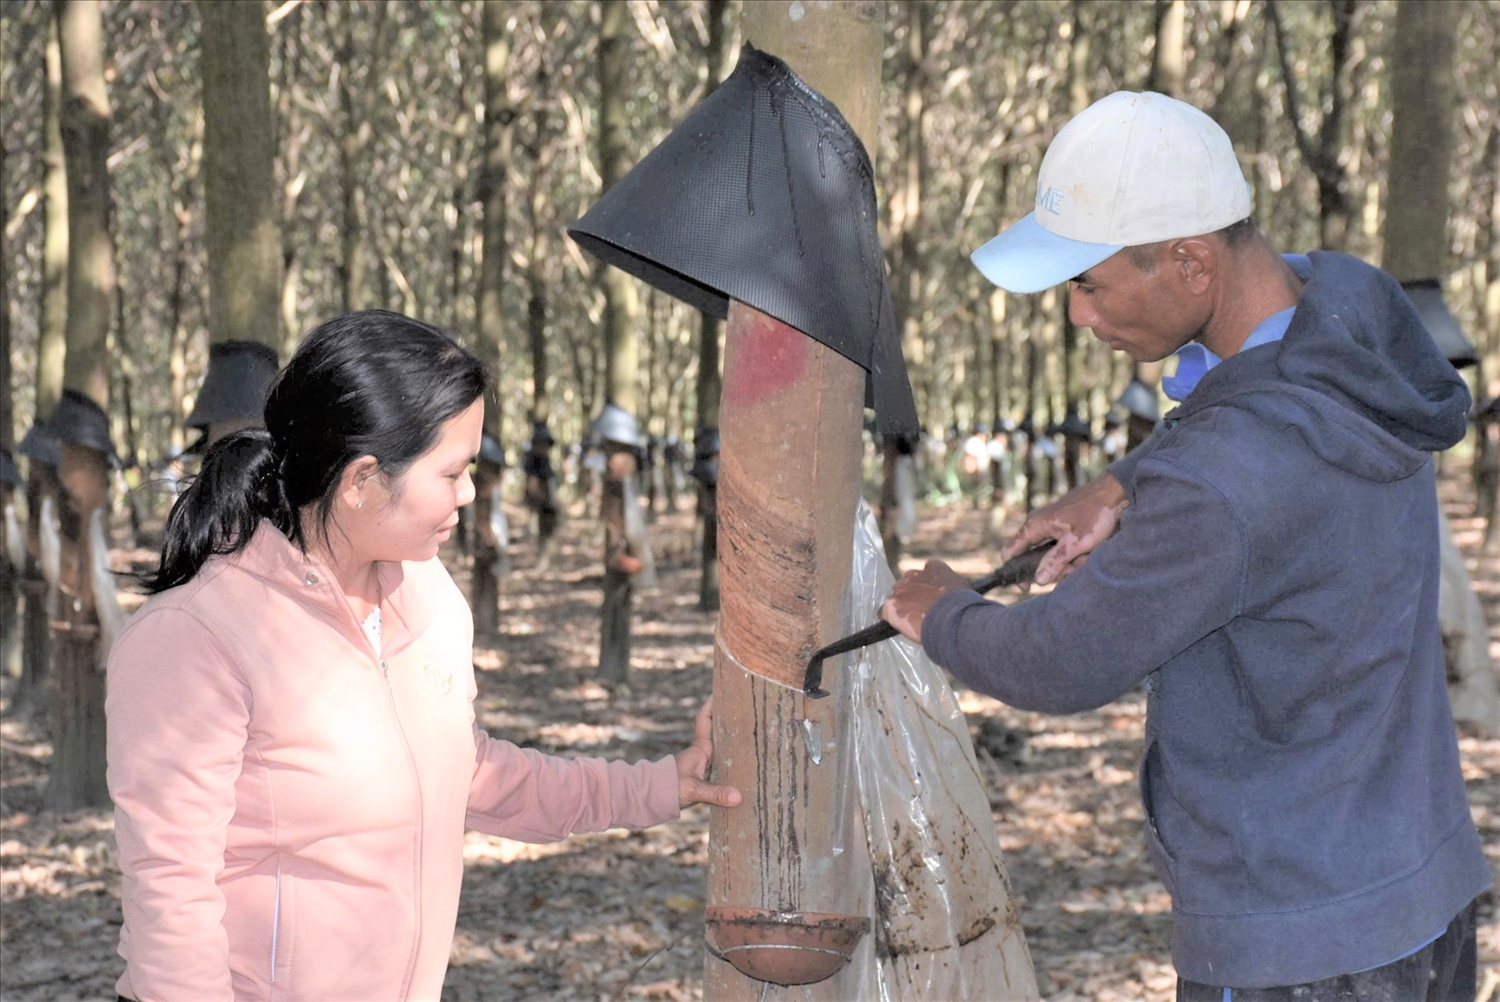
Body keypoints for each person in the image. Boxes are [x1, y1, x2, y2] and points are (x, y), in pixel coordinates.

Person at [882, 92, 1487, 1001]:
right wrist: (1127, 479)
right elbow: (1249, 402)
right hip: (1421, 891)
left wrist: (944, 613)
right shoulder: (1355, 324)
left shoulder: (1224, 482)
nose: (1078, 315)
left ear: (1191, 262)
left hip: (1303, 949)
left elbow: (1063, 658)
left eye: (1087, 283)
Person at [107, 311, 741, 1002]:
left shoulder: (428, 595)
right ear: (361, 480)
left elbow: (462, 773)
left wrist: (661, 785)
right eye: (453, 471)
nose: (470, 492)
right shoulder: (196, 639)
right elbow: (171, 900)